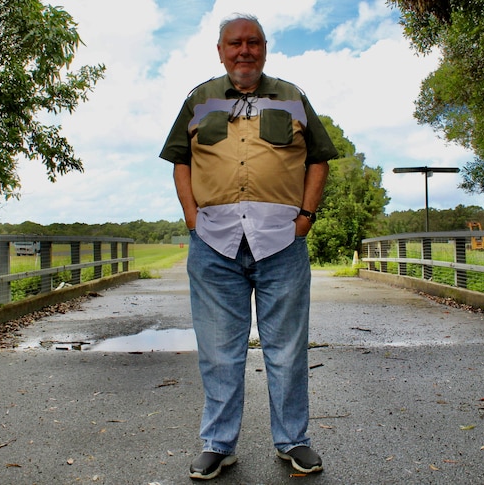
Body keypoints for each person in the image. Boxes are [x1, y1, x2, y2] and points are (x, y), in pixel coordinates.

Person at [159, 12, 338, 480]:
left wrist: (306, 218)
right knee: (219, 350)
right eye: (235, 43)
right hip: (214, 243)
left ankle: (294, 441)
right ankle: (218, 444)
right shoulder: (199, 99)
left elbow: (319, 158)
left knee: (286, 348)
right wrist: (191, 216)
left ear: (264, 48)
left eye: (253, 43)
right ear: (220, 50)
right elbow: (179, 160)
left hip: (281, 242)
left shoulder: (293, 97)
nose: (245, 51)